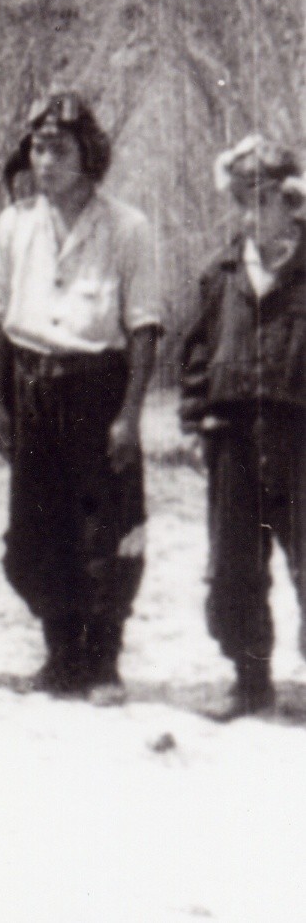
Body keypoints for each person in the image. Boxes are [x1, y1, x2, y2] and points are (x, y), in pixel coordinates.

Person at [0, 91, 162, 706]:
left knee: (105, 529)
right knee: (36, 529)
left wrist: (130, 416)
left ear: (90, 154)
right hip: (31, 387)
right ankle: (60, 655)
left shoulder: (127, 227)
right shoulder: (14, 224)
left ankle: (103, 660)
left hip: (98, 389)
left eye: (60, 148)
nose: (46, 159)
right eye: (38, 146)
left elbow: (143, 328)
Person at [180, 135, 306, 721]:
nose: (249, 214)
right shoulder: (220, 272)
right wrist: (193, 420)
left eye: (261, 199)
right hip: (232, 437)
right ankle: (249, 678)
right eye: (240, 201)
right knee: (233, 565)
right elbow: (197, 354)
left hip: (300, 440)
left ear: (292, 199)